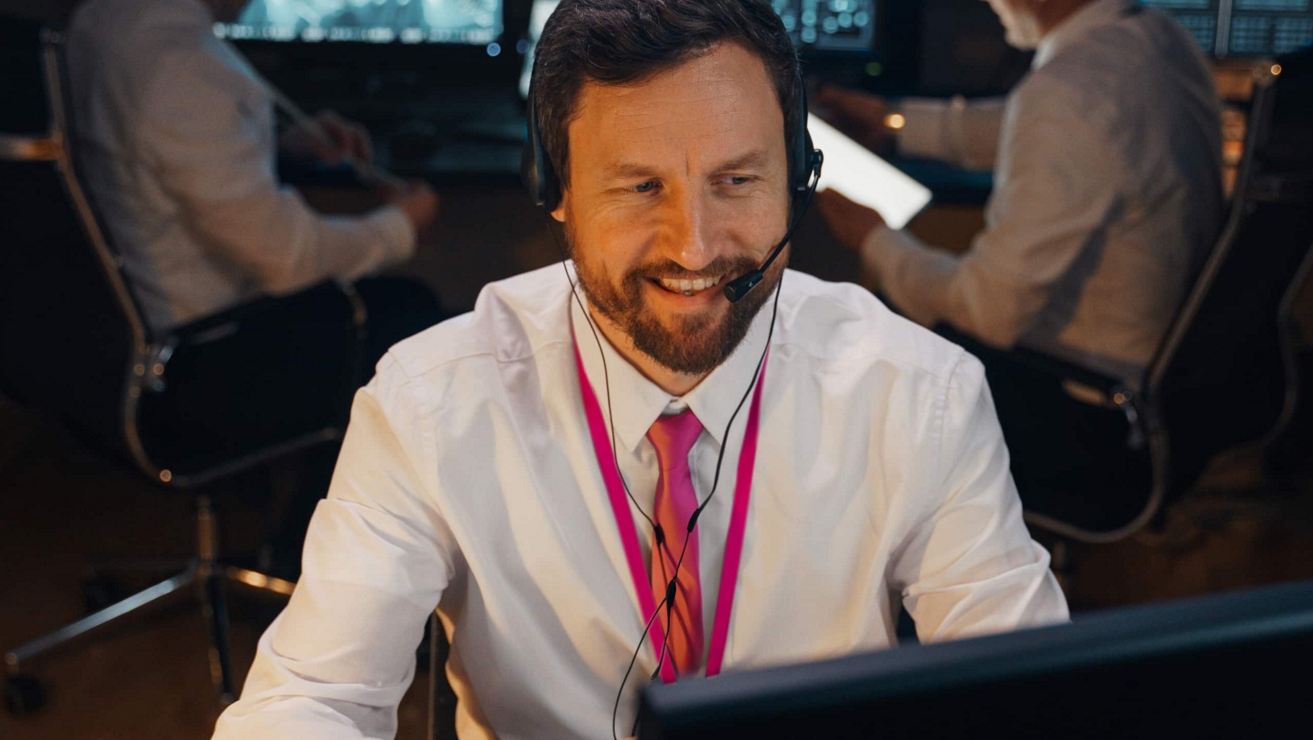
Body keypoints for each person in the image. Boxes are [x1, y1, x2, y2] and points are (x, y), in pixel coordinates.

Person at [213, 1, 1068, 738]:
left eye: (737, 180)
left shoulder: (923, 396)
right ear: (555, 189)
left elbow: (1028, 696)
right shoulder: (431, 402)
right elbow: (312, 697)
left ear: (799, 179)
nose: (694, 247)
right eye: (638, 187)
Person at [814, 0, 1223, 390]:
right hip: (1169, 371)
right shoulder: (1159, 38)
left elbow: (989, 311)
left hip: (1080, 393)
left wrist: (875, 239)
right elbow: (1049, 131)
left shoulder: (1070, 92)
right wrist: (892, 123)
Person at [66, 0, 442, 348]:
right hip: (202, 346)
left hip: (120, 326)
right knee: (413, 309)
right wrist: (401, 227)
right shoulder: (178, 64)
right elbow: (288, 260)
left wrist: (269, 145)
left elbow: (151, 158)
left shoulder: (104, 18)